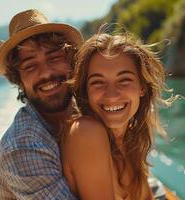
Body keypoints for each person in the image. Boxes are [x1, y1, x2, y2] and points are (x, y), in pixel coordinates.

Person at [60, 32, 176, 199]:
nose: (112, 95)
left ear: (142, 87)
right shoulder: (85, 132)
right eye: (98, 82)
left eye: (124, 80)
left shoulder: (132, 137)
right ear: (86, 91)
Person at [0, 9, 83, 199]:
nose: (46, 73)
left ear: (71, 61)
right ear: (19, 80)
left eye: (54, 57)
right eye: (30, 65)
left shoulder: (84, 108)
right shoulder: (22, 147)